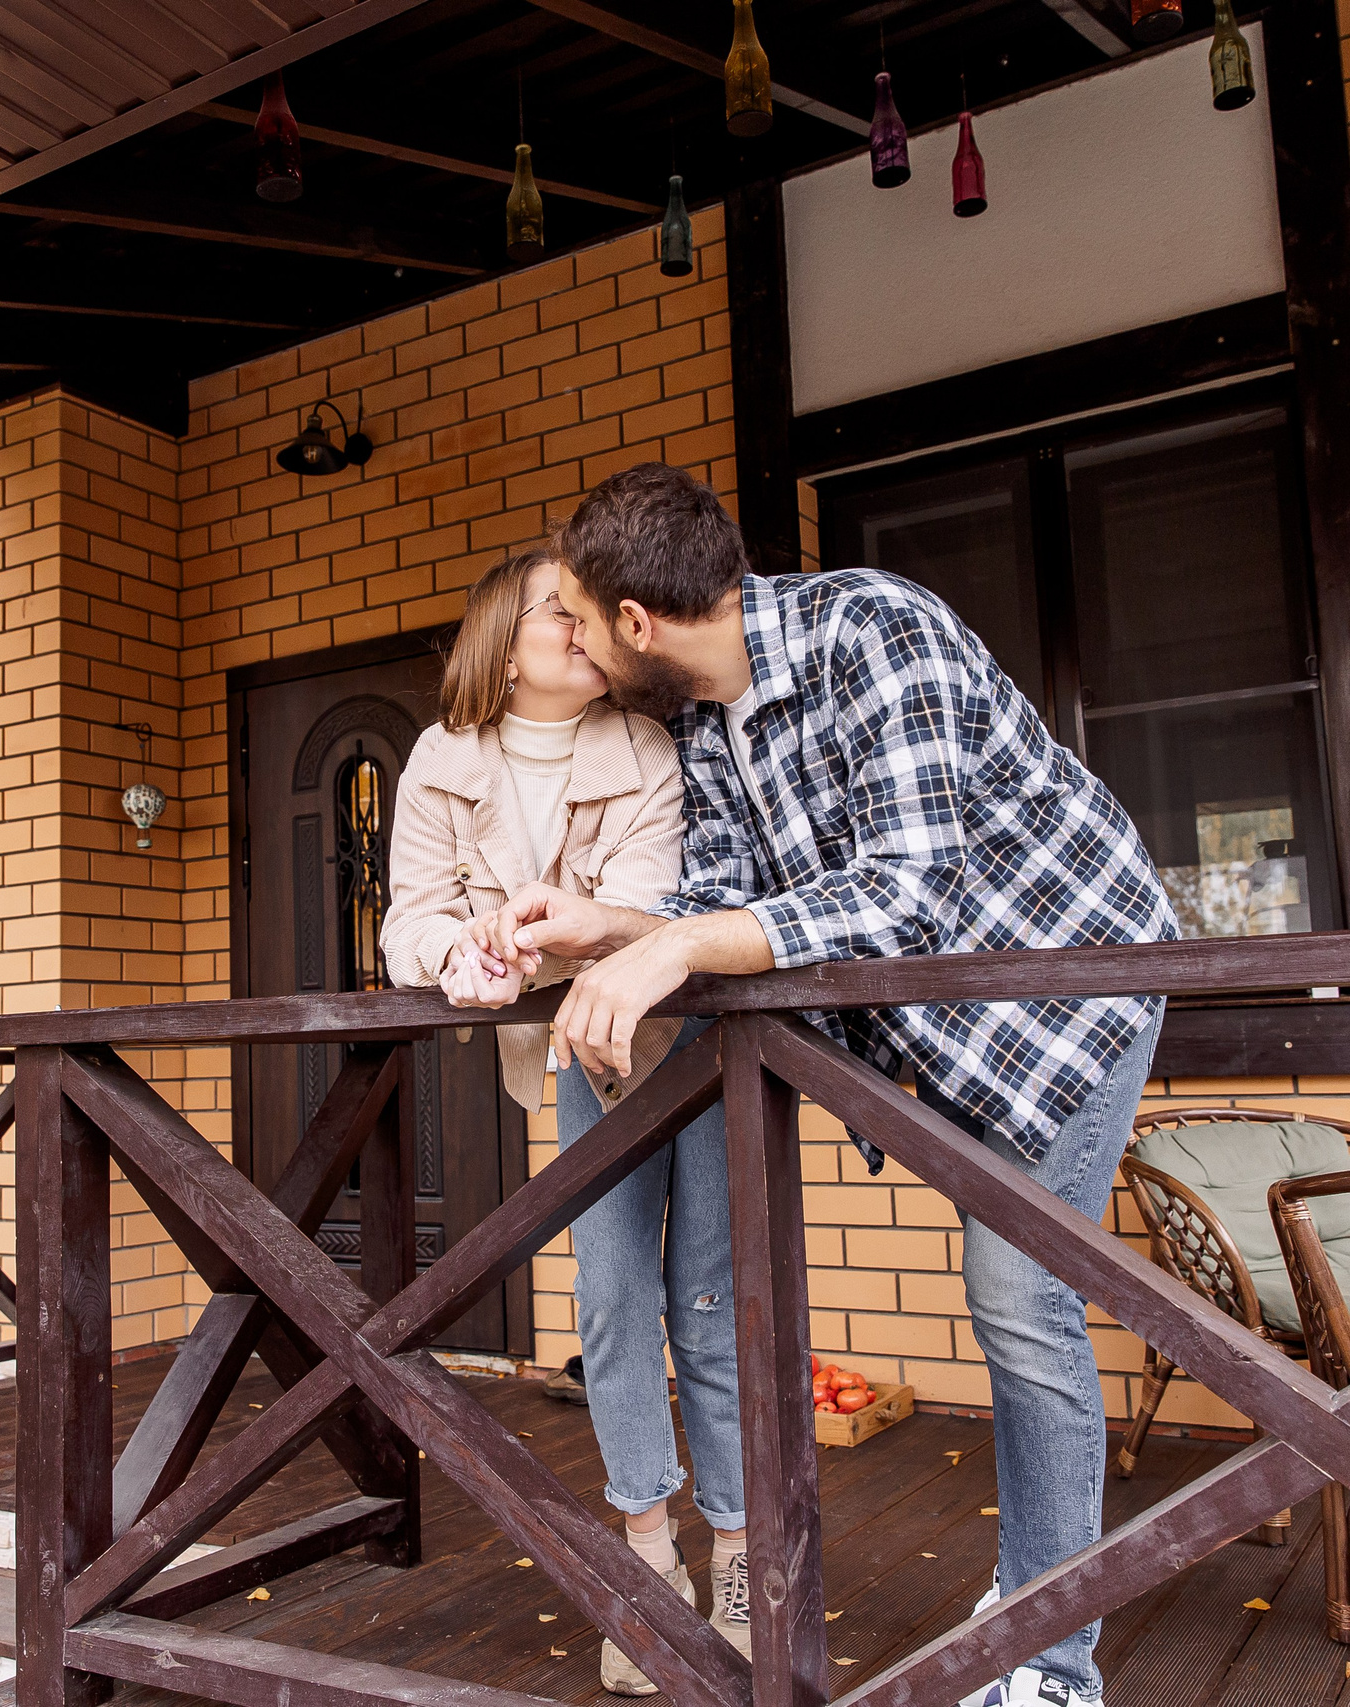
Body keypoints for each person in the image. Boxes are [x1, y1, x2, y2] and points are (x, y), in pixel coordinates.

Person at [474, 465, 1178, 1707]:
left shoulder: (875, 630)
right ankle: (1034, 1586)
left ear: (637, 624)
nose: (569, 642)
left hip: (1070, 998)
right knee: (1013, 1299)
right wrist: (601, 923)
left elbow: (897, 891)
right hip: (949, 1035)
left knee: (1020, 1303)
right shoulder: (706, 709)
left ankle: (1052, 1663)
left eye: (577, 618)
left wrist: (675, 948)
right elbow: (726, 898)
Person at [380, 545, 754, 1694]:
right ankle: (649, 1559)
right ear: (504, 637)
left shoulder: (642, 746)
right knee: (607, 1296)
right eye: (561, 610)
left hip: (690, 1037)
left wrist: (557, 930)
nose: (586, 628)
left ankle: (740, 1552)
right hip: (582, 1056)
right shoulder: (440, 761)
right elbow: (408, 920)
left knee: (707, 1295)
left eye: (589, 613)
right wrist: (460, 955)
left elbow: (656, 905)